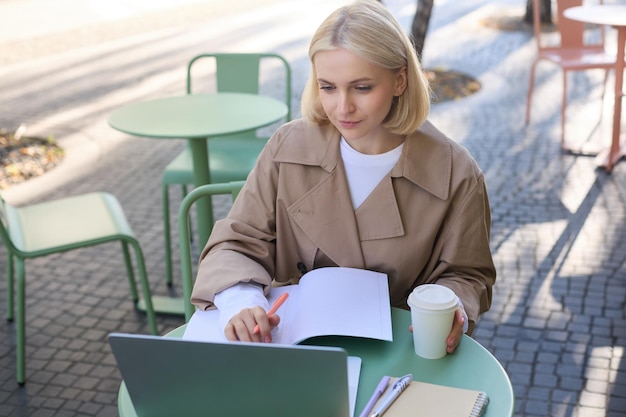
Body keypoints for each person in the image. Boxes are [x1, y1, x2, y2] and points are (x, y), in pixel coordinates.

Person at [191, 0, 495, 354]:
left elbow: (468, 274)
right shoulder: (288, 147)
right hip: (292, 340)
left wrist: (451, 304)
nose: (342, 108)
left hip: (401, 348)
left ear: (400, 80)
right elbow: (238, 241)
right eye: (328, 87)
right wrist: (239, 301)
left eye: (362, 87)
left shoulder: (454, 172)